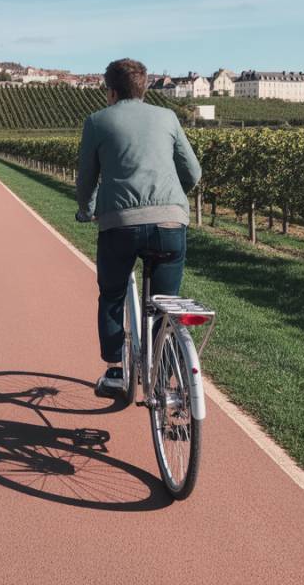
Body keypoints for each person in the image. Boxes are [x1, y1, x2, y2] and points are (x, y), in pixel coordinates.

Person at [75, 58, 201, 395]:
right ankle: (165, 377)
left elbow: (87, 176)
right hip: (170, 223)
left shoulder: (97, 122)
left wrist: (85, 210)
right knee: (166, 303)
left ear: (111, 91)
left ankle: (116, 370)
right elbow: (193, 172)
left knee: (113, 294)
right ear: (144, 88)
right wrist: (172, 203)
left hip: (120, 224)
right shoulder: (168, 117)